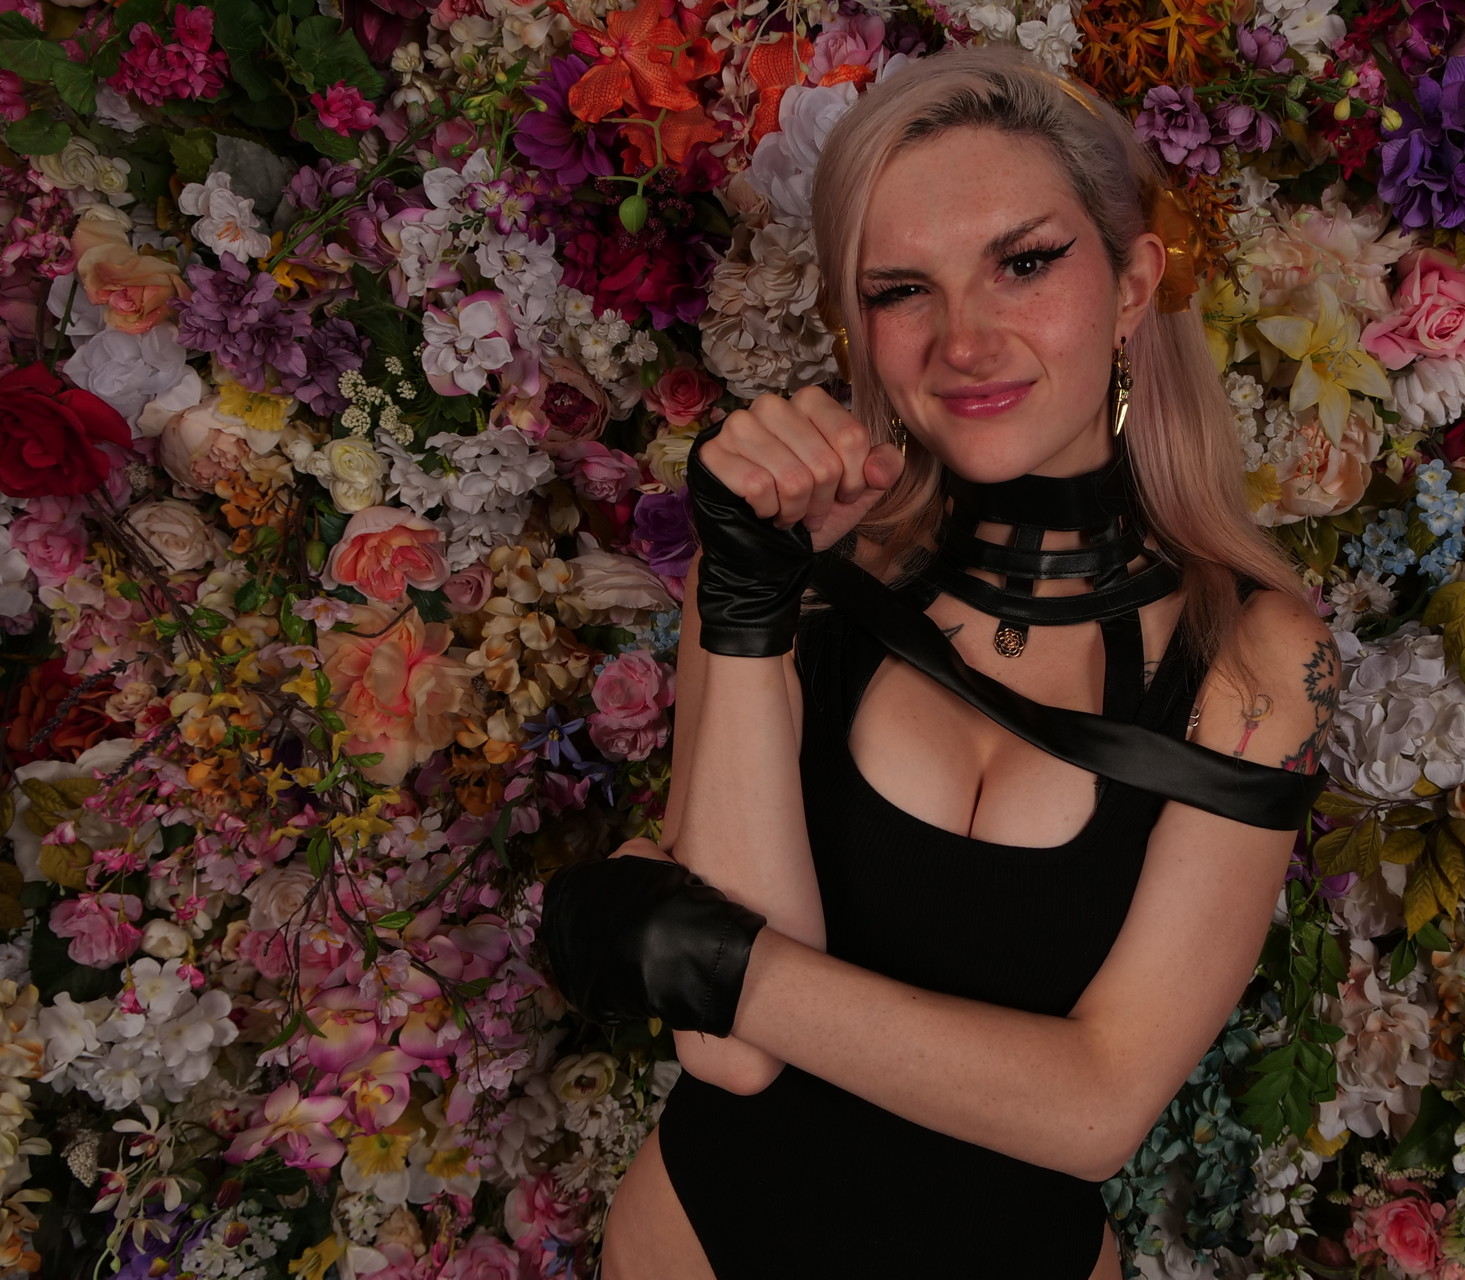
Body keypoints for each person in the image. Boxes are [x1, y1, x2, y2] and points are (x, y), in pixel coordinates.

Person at [538, 42, 1338, 1280]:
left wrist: (695, 948)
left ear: (1133, 284)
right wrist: (744, 606)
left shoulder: (1258, 658)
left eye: (1025, 262)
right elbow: (731, 1054)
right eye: (902, 288)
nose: (964, 340)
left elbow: (1097, 1106)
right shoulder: (782, 575)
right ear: (855, 324)